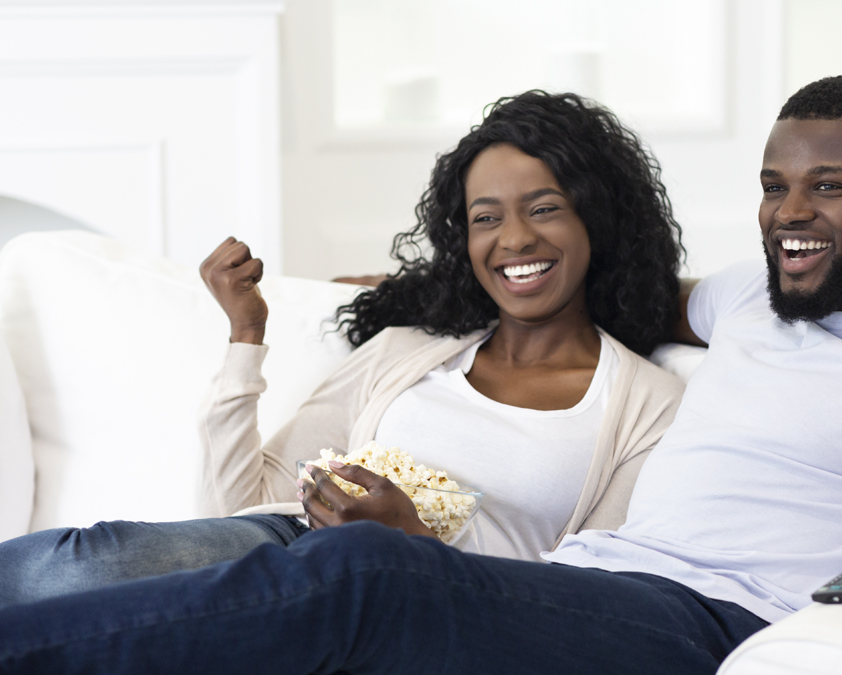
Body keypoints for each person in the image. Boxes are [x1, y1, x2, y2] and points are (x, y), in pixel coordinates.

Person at [0, 76, 842, 675]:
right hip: (596, 584)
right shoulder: (750, 295)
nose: (790, 215)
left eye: (829, 189)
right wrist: (348, 288)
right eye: (774, 185)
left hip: (704, 625)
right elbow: (575, 275)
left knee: (362, 574)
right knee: (122, 554)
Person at [0, 91, 686, 604]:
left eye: (543, 208)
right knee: (85, 562)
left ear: (596, 217)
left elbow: (598, 598)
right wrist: (246, 336)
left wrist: (415, 541)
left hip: (420, 600)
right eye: (486, 218)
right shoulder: (407, 352)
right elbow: (241, 500)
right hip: (287, 547)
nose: (512, 240)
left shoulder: (645, 405)